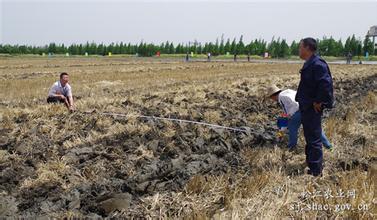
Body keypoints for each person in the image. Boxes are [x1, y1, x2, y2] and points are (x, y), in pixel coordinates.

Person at [296, 37, 334, 176]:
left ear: (307, 48)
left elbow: (325, 84)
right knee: (310, 137)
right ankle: (311, 163)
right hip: (306, 105)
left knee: (314, 139)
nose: (299, 50)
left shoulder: (317, 64)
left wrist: (319, 101)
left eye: (300, 47)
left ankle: (316, 171)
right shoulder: (310, 63)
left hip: (312, 107)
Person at [267, 85, 333, 151]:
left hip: (299, 111)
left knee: (292, 128)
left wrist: (290, 115)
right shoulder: (288, 91)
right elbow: (286, 114)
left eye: (271, 98)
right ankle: (329, 146)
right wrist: (281, 131)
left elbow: (295, 105)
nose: (272, 100)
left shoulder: (282, 97)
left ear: (272, 96)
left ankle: (291, 147)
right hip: (308, 108)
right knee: (315, 128)